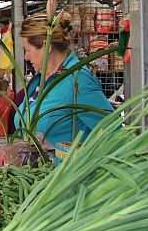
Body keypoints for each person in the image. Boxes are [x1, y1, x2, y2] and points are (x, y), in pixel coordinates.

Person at [13, 13, 112, 145]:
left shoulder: (77, 79)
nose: (26, 57)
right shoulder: (41, 79)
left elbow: (111, 130)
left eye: (28, 50)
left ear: (45, 46)